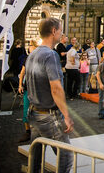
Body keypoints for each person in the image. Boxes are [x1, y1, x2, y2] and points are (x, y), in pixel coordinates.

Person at [25, 18, 74, 173]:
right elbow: (56, 89)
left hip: (34, 112)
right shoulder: (50, 55)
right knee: (65, 157)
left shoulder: (33, 54)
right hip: (48, 116)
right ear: (54, 31)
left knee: (35, 159)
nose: (62, 34)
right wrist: (66, 116)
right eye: (60, 30)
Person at [17, 38, 40, 142]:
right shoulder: (27, 58)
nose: (28, 47)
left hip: (37, 89)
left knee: (38, 110)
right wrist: (20, 85)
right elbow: (22, 72)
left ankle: (37, 130)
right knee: (26, 110)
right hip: (28, 88)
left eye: (30, 45)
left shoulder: (40, 58)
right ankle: (27, 131)